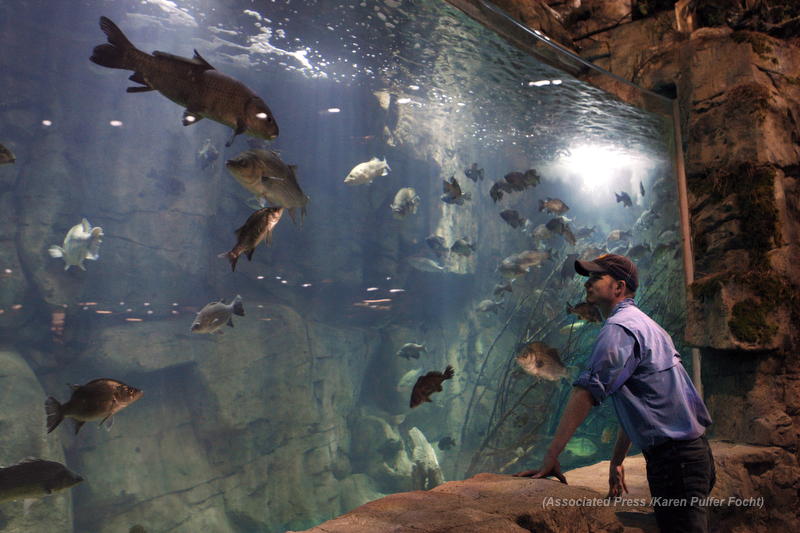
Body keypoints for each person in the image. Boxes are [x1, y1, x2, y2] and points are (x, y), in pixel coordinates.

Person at [513, 253, 715, 533]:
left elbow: (586, 392)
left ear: (619, 288)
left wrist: (552, 454)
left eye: (596, 277)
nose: (587, 284)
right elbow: (645, 404)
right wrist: (617, 459)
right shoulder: (648, 325)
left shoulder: (618, 329)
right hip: (694, 456)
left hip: (675, 464)